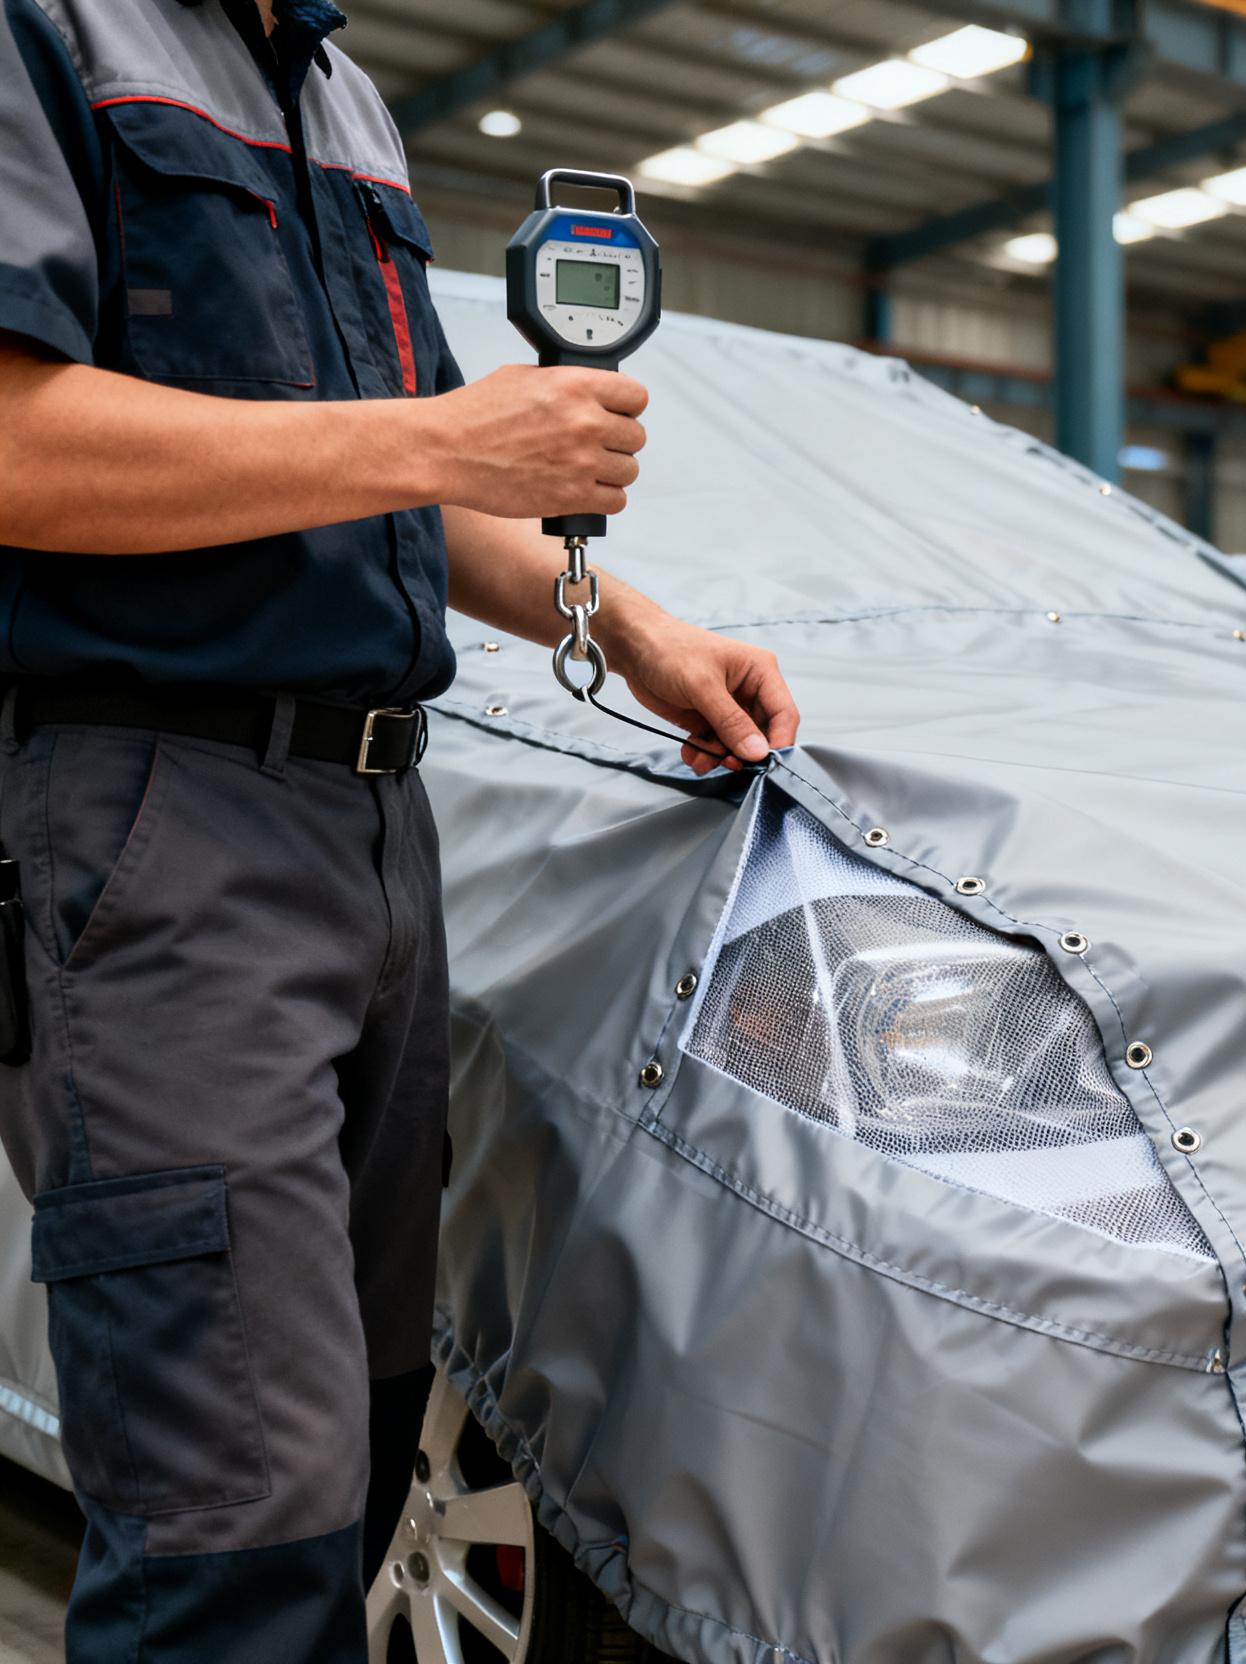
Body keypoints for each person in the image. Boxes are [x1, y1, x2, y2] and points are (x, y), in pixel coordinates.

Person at [0, 0, 800, 1657]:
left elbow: (405, 492)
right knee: (235, 1525)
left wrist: (631, 626)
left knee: (352, 1464)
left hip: (377, 825)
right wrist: (449, 436)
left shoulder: (345, 99)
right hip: (165, 821)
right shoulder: (50, 31)